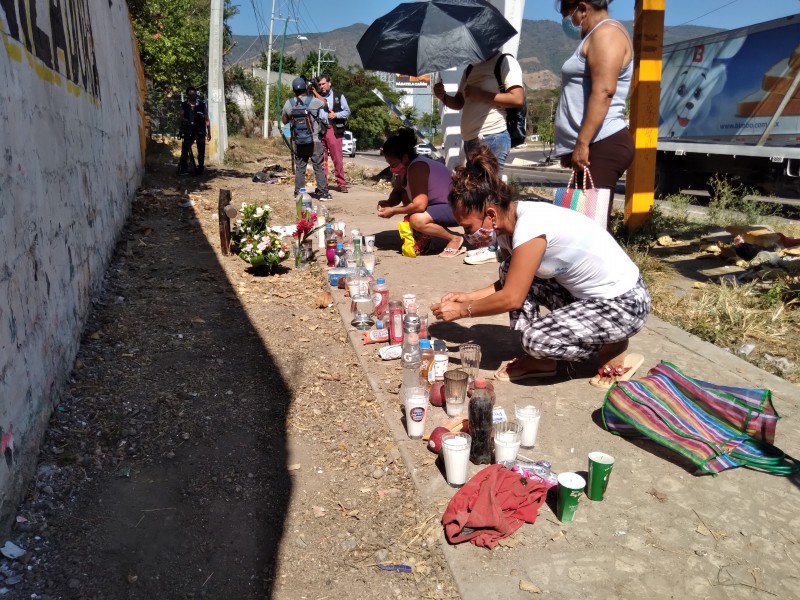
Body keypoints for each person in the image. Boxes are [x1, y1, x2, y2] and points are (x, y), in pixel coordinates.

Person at [430, 146, 651, 389]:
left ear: (491, 214)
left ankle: (613, 344)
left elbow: (512, 298)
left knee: (536, 340)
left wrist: (464, 311)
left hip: (625, 303)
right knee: (508, 269)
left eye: (468, 227)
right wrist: (468, 297)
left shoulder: (531, 227)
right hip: (588, 299)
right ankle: (541, 360)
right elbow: (512, 282)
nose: (468, 235)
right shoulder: (506, 227)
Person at [432, 51, 524, 264]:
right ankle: (489, 243)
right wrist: (443, 96)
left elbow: (517, 98)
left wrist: (482, 94)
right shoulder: (471, 68)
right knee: (479, 193)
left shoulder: (504, 62)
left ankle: (496, 247)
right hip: (471, 139)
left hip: (493, 135)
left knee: (491, 192)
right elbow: (460, 103)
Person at [554, 0, 634, 223]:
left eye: (567, 14)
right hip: (593, 144)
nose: (567, 22)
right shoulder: (595, 36)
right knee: (583, 225)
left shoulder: (607, 34)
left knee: (590, 231)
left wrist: (582, 143)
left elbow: (604, 91)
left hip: (602, 142)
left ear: (582, 8)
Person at [377, 129, 464, 257]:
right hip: (445, 206)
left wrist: (393, 211)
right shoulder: (406, 170)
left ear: (405, 157)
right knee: (405, 196)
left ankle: (454, 238)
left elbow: (419, 206)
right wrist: (388, 203)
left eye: (393, 164)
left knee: (416, 219)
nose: (392, 169)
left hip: (460, 207)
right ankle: (426, 236)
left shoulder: (417, 167)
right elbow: (397, 192)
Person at [281, 77, 331, 200]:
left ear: (293, 89)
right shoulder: (313, 100)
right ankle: (323, 193)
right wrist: (314, 92)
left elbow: (284, 120)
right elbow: (325, 104)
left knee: (300, 168)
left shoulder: (289, 103)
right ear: (305, 88)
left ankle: (298, 193)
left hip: (299, 141)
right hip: (315, 141)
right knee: (318, 166)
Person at [312, 72, 350, 193]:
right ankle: (323, 185)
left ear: (329, 83)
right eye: (320, 84)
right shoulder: (316, 96)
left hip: (333, 130)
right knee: (322, 160)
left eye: (323, 84)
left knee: (337, 159)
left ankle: (341, 184)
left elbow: (347, 111)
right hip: (320, 131)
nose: (321, 86)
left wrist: (336, 115)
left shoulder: (339, 96)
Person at [177, 86, 211, 176]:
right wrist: (185, 121)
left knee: (201, 151)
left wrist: (209, 132)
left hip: (200, 131)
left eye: (194, 93)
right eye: (190, 94)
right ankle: (183, 167)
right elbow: (181, 116)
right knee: (185, 150)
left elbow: (207, 119)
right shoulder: (184, 105)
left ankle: (200, 168)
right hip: (188, 131)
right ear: (188, 95)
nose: (192, 95)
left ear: (196, 94)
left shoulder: (202, 104)